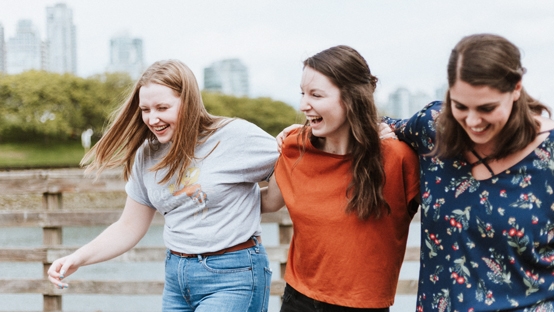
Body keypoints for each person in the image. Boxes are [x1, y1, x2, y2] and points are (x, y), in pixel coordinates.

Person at [47, 59, 278, 312]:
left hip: (234, 276)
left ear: (188, 102)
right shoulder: (147, 154)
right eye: (145, 109)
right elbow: (129, 226)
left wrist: (259, 199)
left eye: (162, 107)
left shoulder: (234, 136)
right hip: (177, 278)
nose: (152, 118)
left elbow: (294, 167)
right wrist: (77, 258)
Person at [380, 34, 554, 311]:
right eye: (460, 106)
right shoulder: (433, 127)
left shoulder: (551, 155)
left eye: (487, 108)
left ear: (516, 88)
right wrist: (299, 138)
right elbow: (373, 127)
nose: (472, 121)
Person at [261, 45, 421, 311]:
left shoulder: (398, 157)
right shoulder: (294, 147)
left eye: (316, 95)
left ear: (352, 98)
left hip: (364, 306)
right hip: (297, 300)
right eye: (303, 93)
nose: (303, 105)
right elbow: (267, 201)